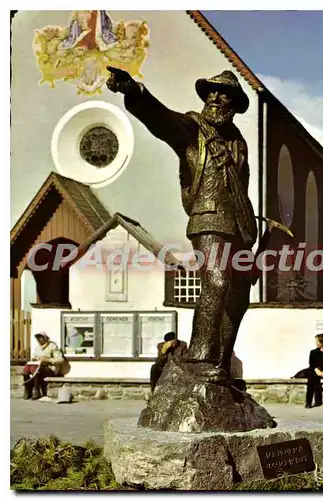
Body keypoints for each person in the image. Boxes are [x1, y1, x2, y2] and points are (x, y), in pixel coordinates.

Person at [106, 67, 257, 382]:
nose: (215, 98)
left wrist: (250, 237)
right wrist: (134, 92)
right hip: (208, 216)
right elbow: (161, 118)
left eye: (223, 93)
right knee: (216, 281)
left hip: (241, 226)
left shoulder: (238, 142)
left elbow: (240, 189)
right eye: (211, 92)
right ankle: (201, 360)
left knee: (240, 293)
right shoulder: (192, 128)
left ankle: (222, 364)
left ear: (234, 103)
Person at [22, 333, 69, 400]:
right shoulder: (37, 347)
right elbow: (35, 357)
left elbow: (61, 360)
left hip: (50, 369)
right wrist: (34, 359)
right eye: (37, 338)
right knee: (26, 371)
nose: (39, 339)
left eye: (40, 337)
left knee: (37, 371)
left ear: (45, 338)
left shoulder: (52, 346)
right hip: (39, 366)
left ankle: (37, 391)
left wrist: (47, 360)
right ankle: (28, 391)